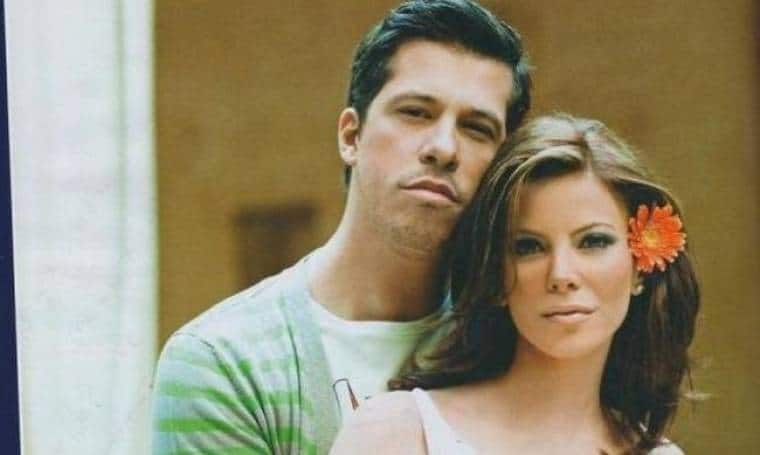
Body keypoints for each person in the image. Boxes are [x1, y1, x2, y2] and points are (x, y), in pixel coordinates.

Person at [151, 0, 531, 453]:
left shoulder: (520, 343)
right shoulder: (225, 361)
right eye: (415, 112)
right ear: (351, 136)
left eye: (477, 128)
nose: (444, 147)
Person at [330, 113, 700, 454]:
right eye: (528, 247)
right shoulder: (398, 432)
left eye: (593, 241)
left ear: (640, 268)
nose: (561, 275)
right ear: (495, 272)